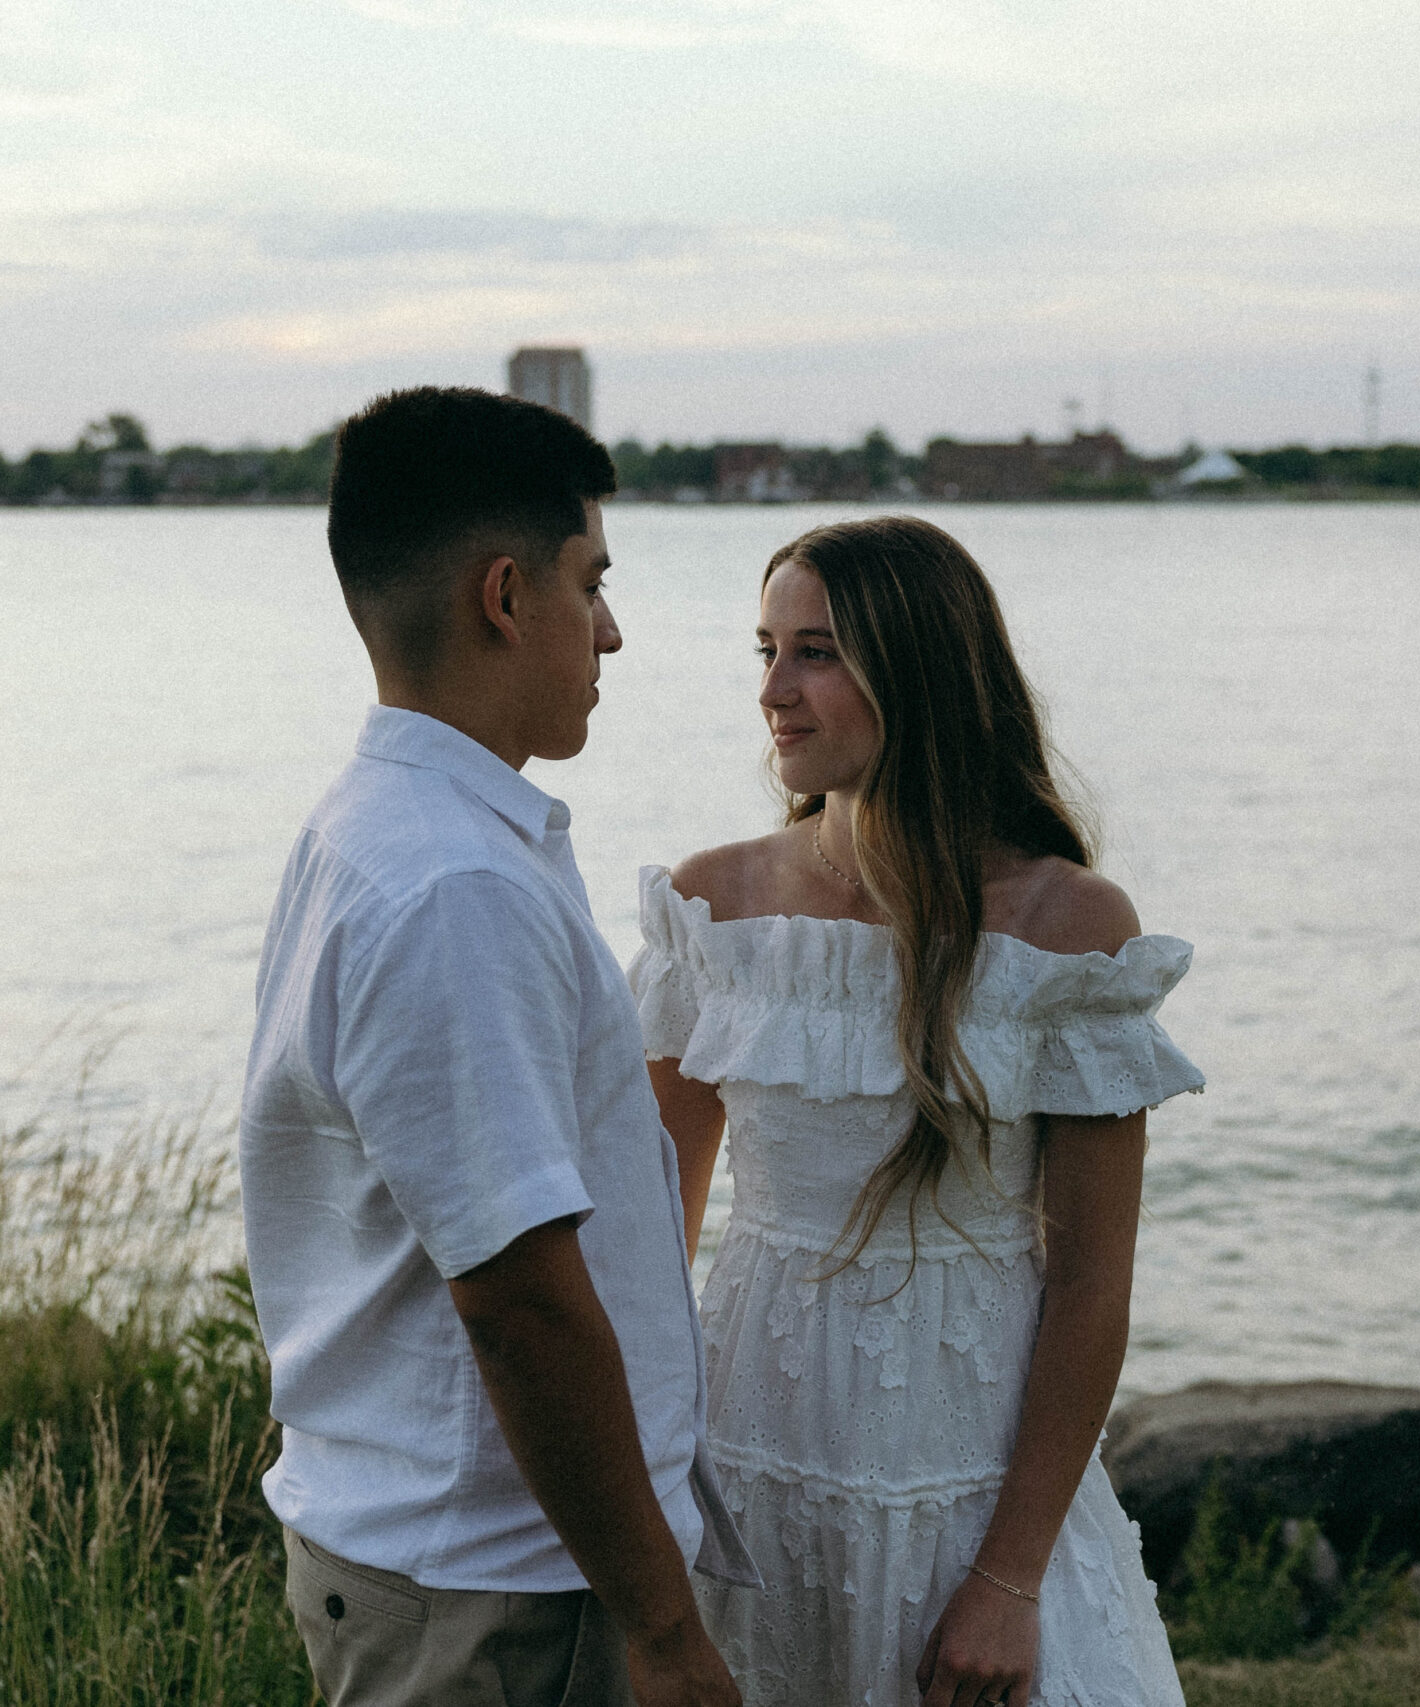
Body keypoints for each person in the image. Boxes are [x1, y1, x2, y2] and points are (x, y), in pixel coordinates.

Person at [632, 516, 1203, 1706]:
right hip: (746, 1461)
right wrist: (646, 1506)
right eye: (766, 650)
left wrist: (1008, 1577)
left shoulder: (1065, 926)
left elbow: (1092, 1280)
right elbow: (647, 1230)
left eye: (818, 653)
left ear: (921, 670)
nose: (774, 692)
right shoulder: (716, 906)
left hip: (969, 1473)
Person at [240, 386, 752, 1707]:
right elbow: (515, 1294)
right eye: (594, 581)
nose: (615, 629)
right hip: (500, 1595)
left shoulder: (375, 827)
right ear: (506, 596)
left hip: (448, 1554)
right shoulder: (450, 882)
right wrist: (662, 1622)